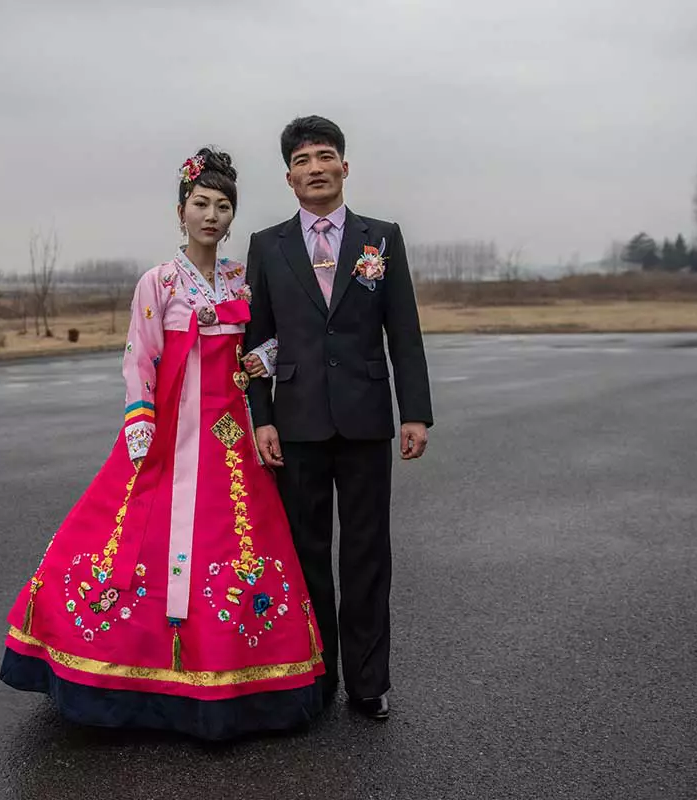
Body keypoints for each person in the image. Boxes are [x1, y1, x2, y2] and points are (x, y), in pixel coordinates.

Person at [0, 147, 326, 741]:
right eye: (201, 204)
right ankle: (122, 675)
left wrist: (262, 359)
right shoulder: (159, 282)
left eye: (223, 207)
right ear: (181, 213)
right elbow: (139, 355)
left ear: (232, 219)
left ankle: (235, 677)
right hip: (168, 428)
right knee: (127, 531)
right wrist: (140, 416)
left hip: (228, 438)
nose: (212, 216)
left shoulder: (239, 281)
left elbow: (269, 344)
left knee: (234, 541)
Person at [242, 116, 434, 721]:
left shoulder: (383, 238)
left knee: (368, 554)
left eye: (326, 156)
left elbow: (403, 330)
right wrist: (262, 417)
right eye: (303, 161)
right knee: (304, 553)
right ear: (289, 177)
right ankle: (315, 677)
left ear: (345, 167)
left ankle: (369, 682)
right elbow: (257, 339)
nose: (316, 168)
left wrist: (416, 414)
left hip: (367, 420)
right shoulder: (266, 245)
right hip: (294, 425)